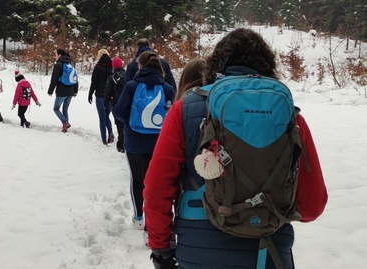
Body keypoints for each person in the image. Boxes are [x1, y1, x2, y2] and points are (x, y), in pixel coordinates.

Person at [143, 28, 328, 269]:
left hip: (199, 249)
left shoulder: (184, 109)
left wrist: (161, 248)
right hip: (268, 249)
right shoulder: (289, 116)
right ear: (268, 68)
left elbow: (157, 188)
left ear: (215, 65)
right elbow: (312, 206)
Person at [113, 51, 176, 232]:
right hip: (158, 143)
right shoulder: (167, 88)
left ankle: (138, 218)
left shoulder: (132, 86)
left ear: (140, 66)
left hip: (134, 141)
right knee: (153, 182)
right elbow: (172, 116)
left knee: (137, 179)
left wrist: (130, 124)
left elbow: (118, 111)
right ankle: (152, 220)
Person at [88, 49, 115, 145]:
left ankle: (104, 139)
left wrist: (90, 93)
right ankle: (110, 133)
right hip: (111, 95)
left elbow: (94, 82)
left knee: (102, 118)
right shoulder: (112, 66)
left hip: (100, 95)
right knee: (107, 116)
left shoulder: (98, 67)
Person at [47, 48, 79, 132]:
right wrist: (75, 91)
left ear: (59, 55)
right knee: (65, 109)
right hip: (71, 90)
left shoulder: (58, 65)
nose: (55, 56)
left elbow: (54, 79)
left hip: (62, 91)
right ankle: (65, 128)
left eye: (55, 54)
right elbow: (75, 77)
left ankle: (65, 123)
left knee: (56, 108)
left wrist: (50, 91)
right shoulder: (70, 63)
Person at [104, 56, 126, 152]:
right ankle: (126, 142)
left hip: (116, 104)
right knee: (126, 124)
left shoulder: (111, 78)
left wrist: (105, 103)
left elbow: (107, 92)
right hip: (127, 103)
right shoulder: (127, 76)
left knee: (119, 124)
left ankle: (121, 144)